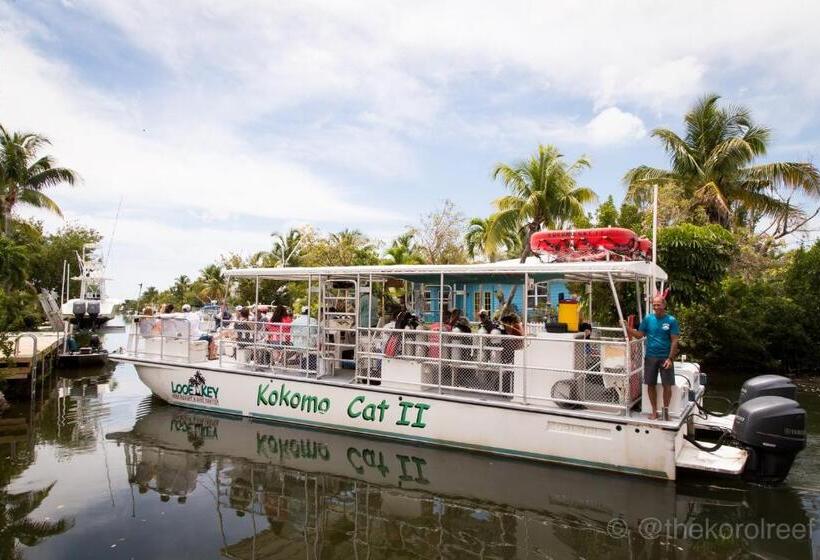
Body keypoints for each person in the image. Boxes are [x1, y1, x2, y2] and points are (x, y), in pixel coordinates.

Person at [625, 295, 680, 420]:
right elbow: (640, 335)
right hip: (650, 357)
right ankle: (654, 412)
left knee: (667, 385)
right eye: (654, 305)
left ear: (664, 305)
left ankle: (665, 413)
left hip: (666, 357)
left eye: (658, 304)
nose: (656, 307)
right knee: (650, 385)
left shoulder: (671, 320)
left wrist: (670, 359)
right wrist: (628, 329)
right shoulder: (648, 319)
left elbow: (674, 341)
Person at [291, 306, 318, 371]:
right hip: (310, 345)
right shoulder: (313, 320)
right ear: (309, 312)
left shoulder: (295, 321)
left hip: (296, 345)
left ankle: (303, 364)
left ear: (302, 312)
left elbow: (292, 332)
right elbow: (319, 331)